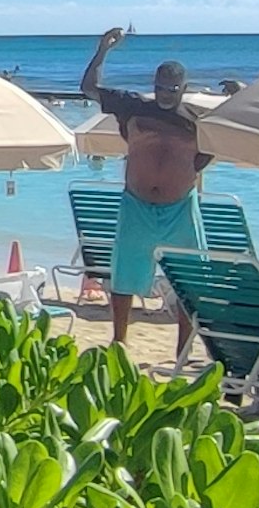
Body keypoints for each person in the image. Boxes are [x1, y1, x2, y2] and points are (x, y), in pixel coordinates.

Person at [79, 26, 210, 344]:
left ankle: (182, 348)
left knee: (189, 280)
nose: (166, 93)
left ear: (184, 88)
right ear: (154, 86)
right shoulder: (133, 107)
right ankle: (119, 341)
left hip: (180, 208)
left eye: (173, 88)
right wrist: (102, 50)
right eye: (162, 87)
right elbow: (89, 88)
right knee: (124, 277)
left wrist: (184, 175)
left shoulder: (197, 120)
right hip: (137, 205)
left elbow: (212, 151)